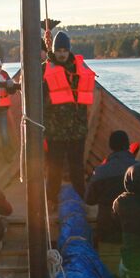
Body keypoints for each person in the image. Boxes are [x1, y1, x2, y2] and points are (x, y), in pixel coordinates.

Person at [42, 28, 95, 210]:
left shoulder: (79, 67)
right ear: (54, 51)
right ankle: (51, 200)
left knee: (77, 168)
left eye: (65, 51)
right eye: (59, 51)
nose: (62, 54)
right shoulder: (45, 69)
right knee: (54, 168)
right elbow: (37, 97)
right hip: (54, 129)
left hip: (77, 129)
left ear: (69, 50)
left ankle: (82, 199)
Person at [83, 130, 137, 243]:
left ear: (111, 146)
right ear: (128, 145)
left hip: (108, 230)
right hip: (135, 230)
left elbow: (89, 200)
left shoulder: (100, 172)